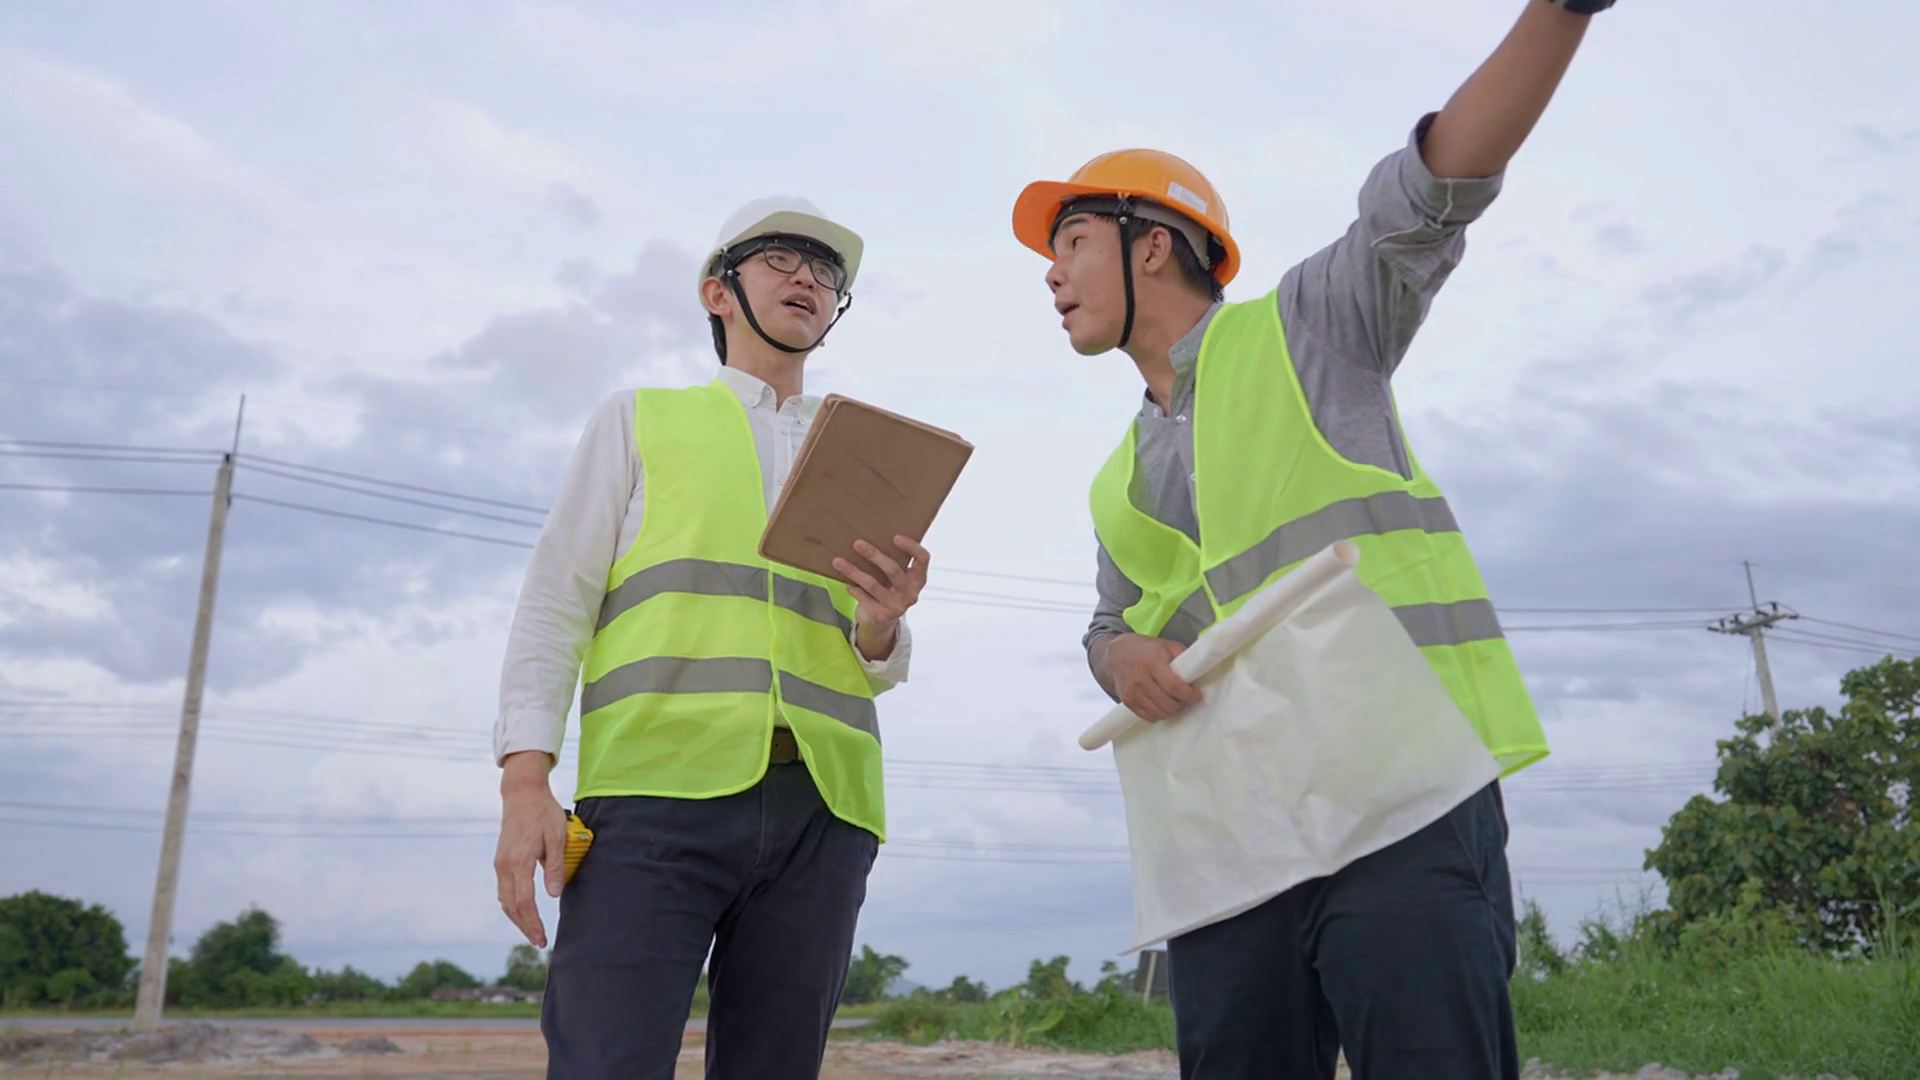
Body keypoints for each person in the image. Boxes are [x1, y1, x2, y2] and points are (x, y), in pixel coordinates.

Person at [1009, 1, 1616, 1077]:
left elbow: (1430, 192)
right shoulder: (1116, 480)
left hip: (1401, 796)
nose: (1051, 275)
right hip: (1233, 838)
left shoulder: (1311, 330)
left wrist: (1560, 11)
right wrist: (1120, 657)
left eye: (1072, 243)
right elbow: (1109, 626)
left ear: (1154, 245)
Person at [491, 195, 929, 1080]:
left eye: (826, 272)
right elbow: (554, 603)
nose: (809, 279)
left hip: (824, 810)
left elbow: (872, 657)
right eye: (781, 259)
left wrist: (884, 623)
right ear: (717, 292)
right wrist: (524, 781)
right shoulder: (640, 420)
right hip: (653, 798)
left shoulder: (863, 451)